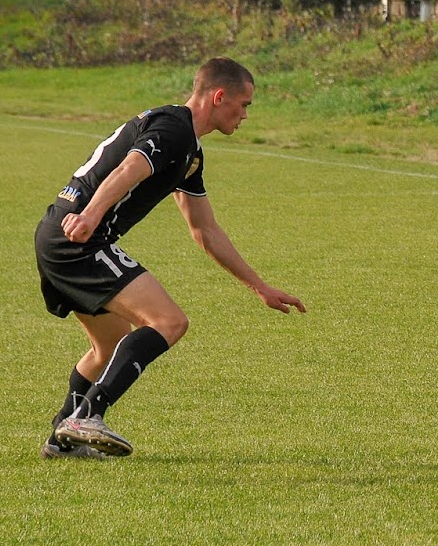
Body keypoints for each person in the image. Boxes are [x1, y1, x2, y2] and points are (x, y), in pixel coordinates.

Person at [35, 57, 306, 459]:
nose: (246, 114)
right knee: (169, 322)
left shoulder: (189, 152)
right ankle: (86, 417)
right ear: (219, 96)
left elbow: (204, 230)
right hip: (80, 239)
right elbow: (131, 167)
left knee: (108, 347)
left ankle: (62, 437)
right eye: (244, 104)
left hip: (61, 236)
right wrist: (91, 215)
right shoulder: (174, 129)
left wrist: (259, 286)